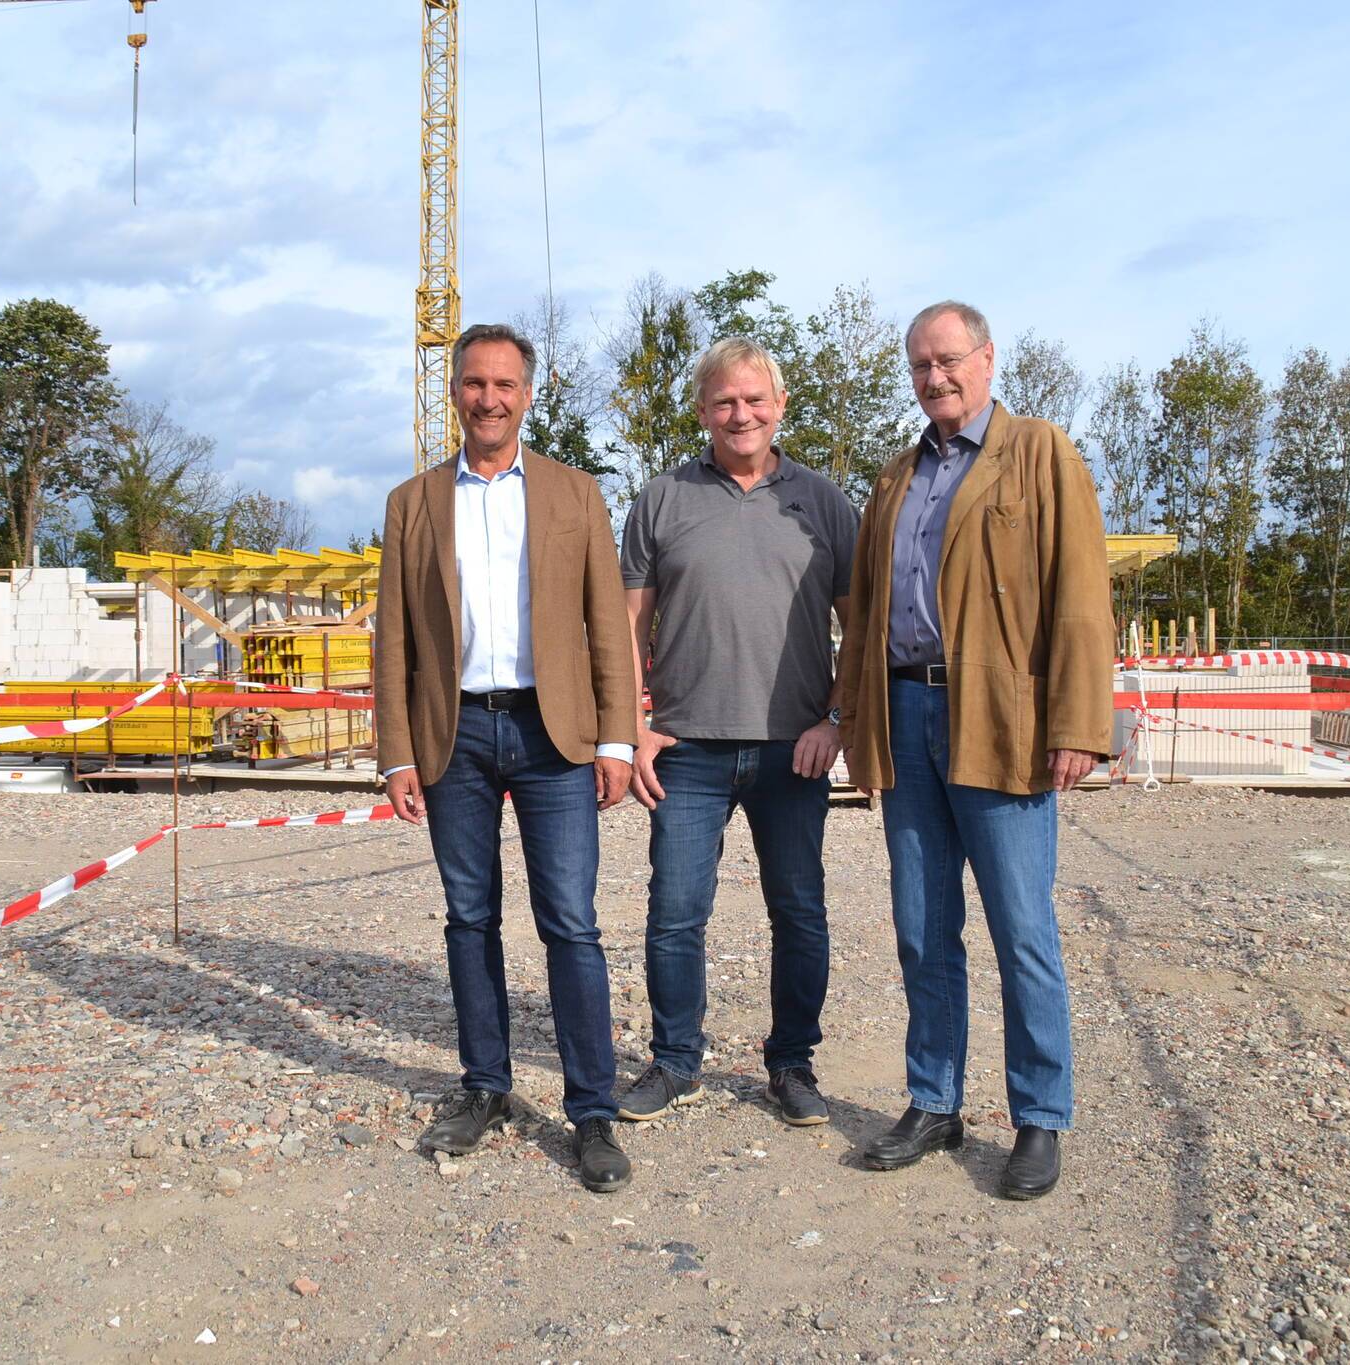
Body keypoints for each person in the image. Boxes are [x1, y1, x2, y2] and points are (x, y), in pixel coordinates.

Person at [836, 300, 1113, 1201]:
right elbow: (866, 611)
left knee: (1022, 927)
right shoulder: (895, 476)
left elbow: (1079, 595)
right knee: (922, 926)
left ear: (988, 358)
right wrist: (855, 723)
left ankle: (1039, 1115)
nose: (934, 378)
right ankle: (934, 1099)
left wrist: (1077, 722)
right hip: (908, 716)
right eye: (920, 366)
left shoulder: (1040, 454)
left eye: (949, 360)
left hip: (1000, 720)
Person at [374, 322, 638, 1193]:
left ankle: (591, 1109)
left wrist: (613, 737)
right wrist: (396, 754)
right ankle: (485, 1085)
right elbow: (396, 642)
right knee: (468, 918)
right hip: (455, 736)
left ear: (529, 393)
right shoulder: (413, 503)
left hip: (553, 736)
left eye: (505, 384)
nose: (489, 398)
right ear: (454, 392)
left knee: (571, 921)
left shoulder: (575, 495)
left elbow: (609, 621)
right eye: (474, 383)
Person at [615, 337, 859, 1129]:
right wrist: (634, 724)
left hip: (795, 748)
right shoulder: (661, 500)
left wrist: (835, 719)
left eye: (755, 399)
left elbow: (861, 629)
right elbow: (627, 627)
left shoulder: (823, 504)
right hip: (686, 749)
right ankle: (676, 1061)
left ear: (781, 405)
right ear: (702, 409)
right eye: (724, 401)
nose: (740, 413)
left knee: (800, 913)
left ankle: (792, 1064)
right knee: (675, 912)